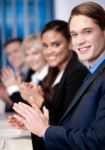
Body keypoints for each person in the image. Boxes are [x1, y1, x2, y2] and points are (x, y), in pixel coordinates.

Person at [9, 20, 88, 149]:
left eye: (55, 45)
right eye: (45, 46)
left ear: (69, 43)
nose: (49, 51)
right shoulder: (54, 70)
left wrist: (39, 99)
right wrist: (30, 122)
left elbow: (67, 123)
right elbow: (50, 118)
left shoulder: (77, 73)